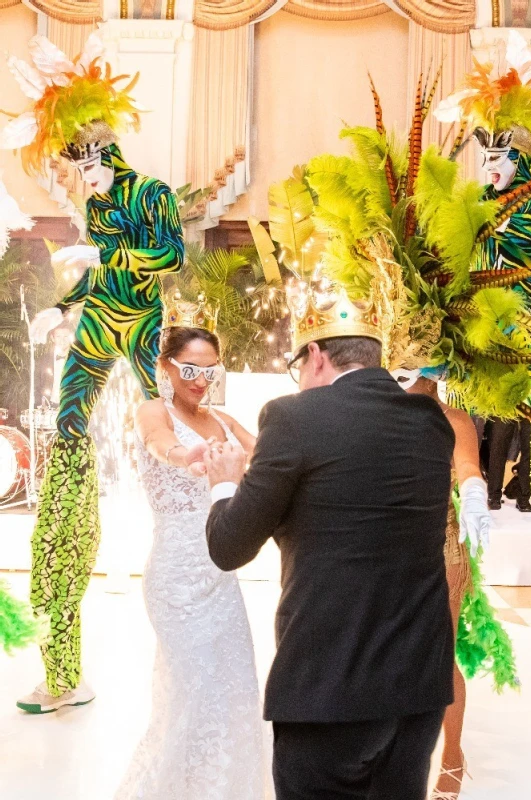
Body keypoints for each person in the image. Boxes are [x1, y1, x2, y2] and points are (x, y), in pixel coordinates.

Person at [203, 284, 456, 800]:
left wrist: (225, 482)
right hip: (417, 685)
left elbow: (229, 546)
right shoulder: (431, 423)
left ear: (315, 356)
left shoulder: (294, 417)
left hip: (329, 687)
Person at [0, 34, 184, 713]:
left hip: (139, 327)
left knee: (157, 429)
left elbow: (167, 258)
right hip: (99, 320)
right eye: (79, 176)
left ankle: (178, 533)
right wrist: (58, 310)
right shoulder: (100, 206)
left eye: (89, 170)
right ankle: (63, 577)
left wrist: (101, 262)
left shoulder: (149, 193)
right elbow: (90, 270)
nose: (86, 185)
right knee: (69, 436)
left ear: (106, 155)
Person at [114, 310, 265, 800]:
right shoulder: (151, 411)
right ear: (167, 368)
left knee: (234, 689)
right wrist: (191, 455)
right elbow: (161, 447)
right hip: (176, 577)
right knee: (188, 690)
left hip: (219, 571)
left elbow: (268, 456)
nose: (201, 380)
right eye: (191, 369)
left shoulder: (223, 419)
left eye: (210, 370)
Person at [404, 372, 490, 799]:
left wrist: (473, 491)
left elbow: (469, 465)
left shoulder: (453, 418)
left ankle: (452, 757)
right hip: (387, 548)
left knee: (440, 656)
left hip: (441, 547)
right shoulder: (379, 413)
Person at [487, 418, 531, 512]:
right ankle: (494, 496)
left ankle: (523, 497)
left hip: (529, 408)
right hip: (503, 408)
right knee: (498, 448)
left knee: (528, 450)